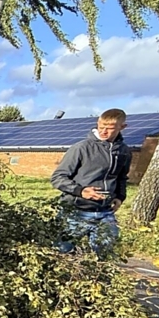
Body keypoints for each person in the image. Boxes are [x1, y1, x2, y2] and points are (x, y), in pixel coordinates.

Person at [50, 108, 131, 256]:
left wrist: (120, 196)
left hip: (105, 213)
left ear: (122, 127)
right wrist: (81, 191)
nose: (104, 132)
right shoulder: (81, 148)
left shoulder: (124, 151)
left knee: (106, 255)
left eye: (109, 128)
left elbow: (121, 177)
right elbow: (57, 178)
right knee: (60, 253)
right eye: (101, 127)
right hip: (75, 212)